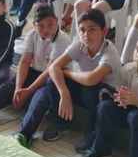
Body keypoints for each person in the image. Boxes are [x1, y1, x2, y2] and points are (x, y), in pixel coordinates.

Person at [17, 9, 121, 148]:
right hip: (84, 87)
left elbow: (92, 79)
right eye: (82, 30)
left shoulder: (110, 52)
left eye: (92, 29)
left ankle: (93, 132)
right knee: (52, 82)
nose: (86, 35)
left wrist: (67, 73)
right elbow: (54, 68)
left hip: (105, 96)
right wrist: (64, 93)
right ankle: (62, 123)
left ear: (104, 31)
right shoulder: (79, 44)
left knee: (89, 89)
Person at [0, 4, 71, 126]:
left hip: (54, 78)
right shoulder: (31, 35)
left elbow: (49, 71)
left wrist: (29, 91)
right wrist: (18, 88)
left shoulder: (63, 40)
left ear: (56, 21)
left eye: (50, 24)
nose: (46, 30)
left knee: (38, 99)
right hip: (35, 72)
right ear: (34, 24)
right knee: (8, 87)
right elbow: (24, 61)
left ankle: (25, 132)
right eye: (40, 25)